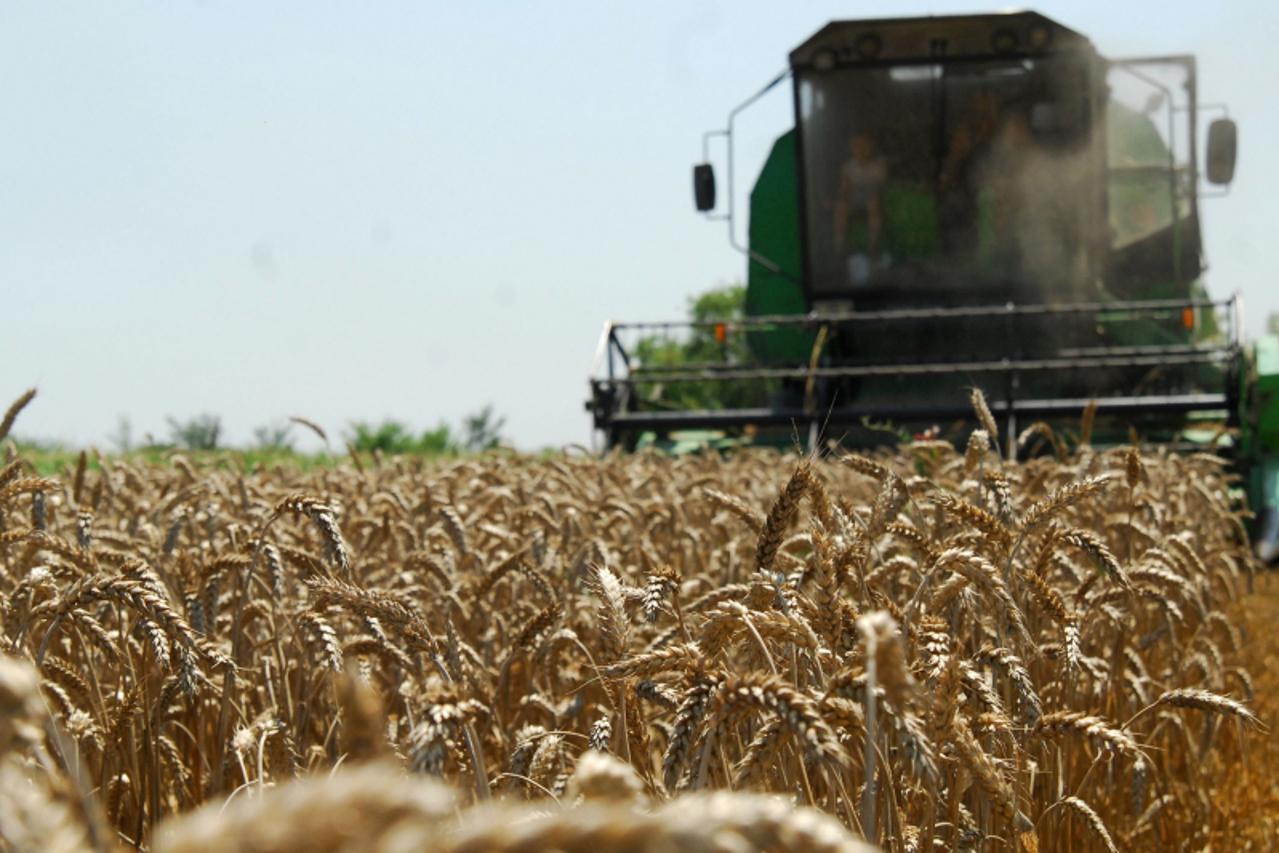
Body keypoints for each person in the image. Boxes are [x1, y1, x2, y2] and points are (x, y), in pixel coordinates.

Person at [832, 131, 887, 284]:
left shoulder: (879, 164)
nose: (860, 149)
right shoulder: (848, 167)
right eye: (856, 146)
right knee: (841, 207)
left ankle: (872, 246)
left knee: (873, 202)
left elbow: (881, 185)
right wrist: (839, 200)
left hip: (873, 198)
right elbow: (844, 190)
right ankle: (839, 246)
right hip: (854, 199)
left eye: (864, 145)